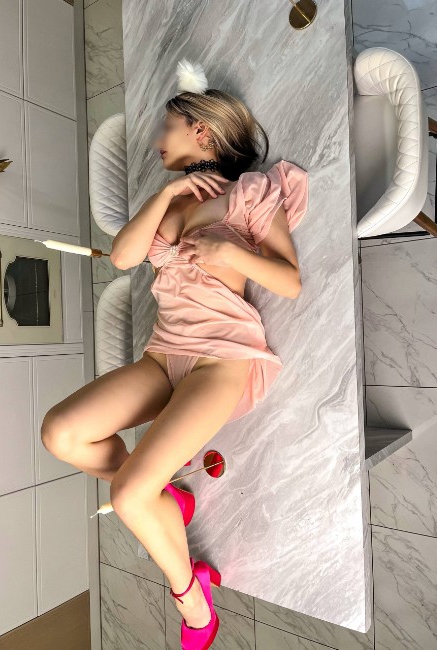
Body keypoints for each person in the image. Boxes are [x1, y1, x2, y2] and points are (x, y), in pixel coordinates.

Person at [41, 58, 309, 650]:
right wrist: (165, 193)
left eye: (168, 127)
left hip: (220, 359)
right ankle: (166, 497)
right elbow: (123, 258)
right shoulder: (169, 200)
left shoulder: (249, 193)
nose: (159, 140)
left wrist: (230, 254)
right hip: (164, 356)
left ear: (202, 132)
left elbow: (289, 280)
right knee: (61, 433)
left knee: (127, 494)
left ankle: (194, 600)